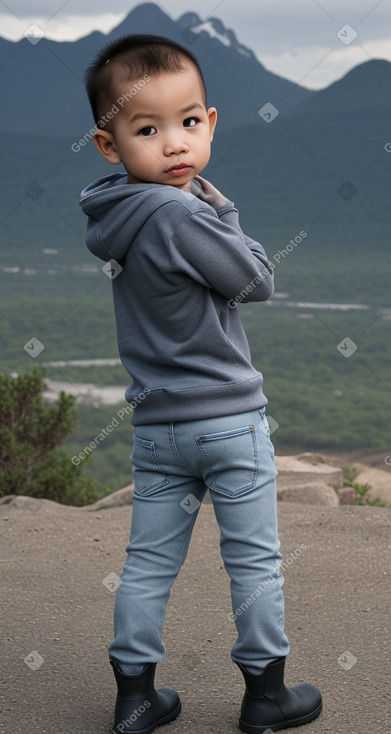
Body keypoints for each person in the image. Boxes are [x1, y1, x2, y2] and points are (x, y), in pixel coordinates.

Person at [80, 33, 322, 734]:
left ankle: (135, 698)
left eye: (188, 123)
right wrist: (225, 212)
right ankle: (265, 697)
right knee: (252, 561)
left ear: (208, 123)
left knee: (147, 562)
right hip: (228, 423)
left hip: (158, 427)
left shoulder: (117, 213)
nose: (175, 144)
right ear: (109, 143)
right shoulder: (183, 212)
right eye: (147, 129)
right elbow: (257, 281)